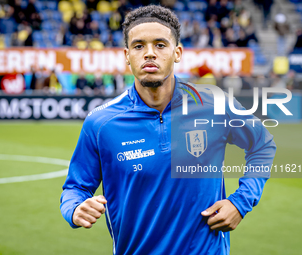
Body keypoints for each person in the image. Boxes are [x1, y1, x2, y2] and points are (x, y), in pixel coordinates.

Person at [60, 5, 276, 254]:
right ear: (127, 55)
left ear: (177, 53)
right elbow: (75, 188)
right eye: (139, 46)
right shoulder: (100, 123)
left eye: (160, 45)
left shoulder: (215, 104)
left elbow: (262, 145)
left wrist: (240, 202)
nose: (149, 53)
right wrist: (75, 209)